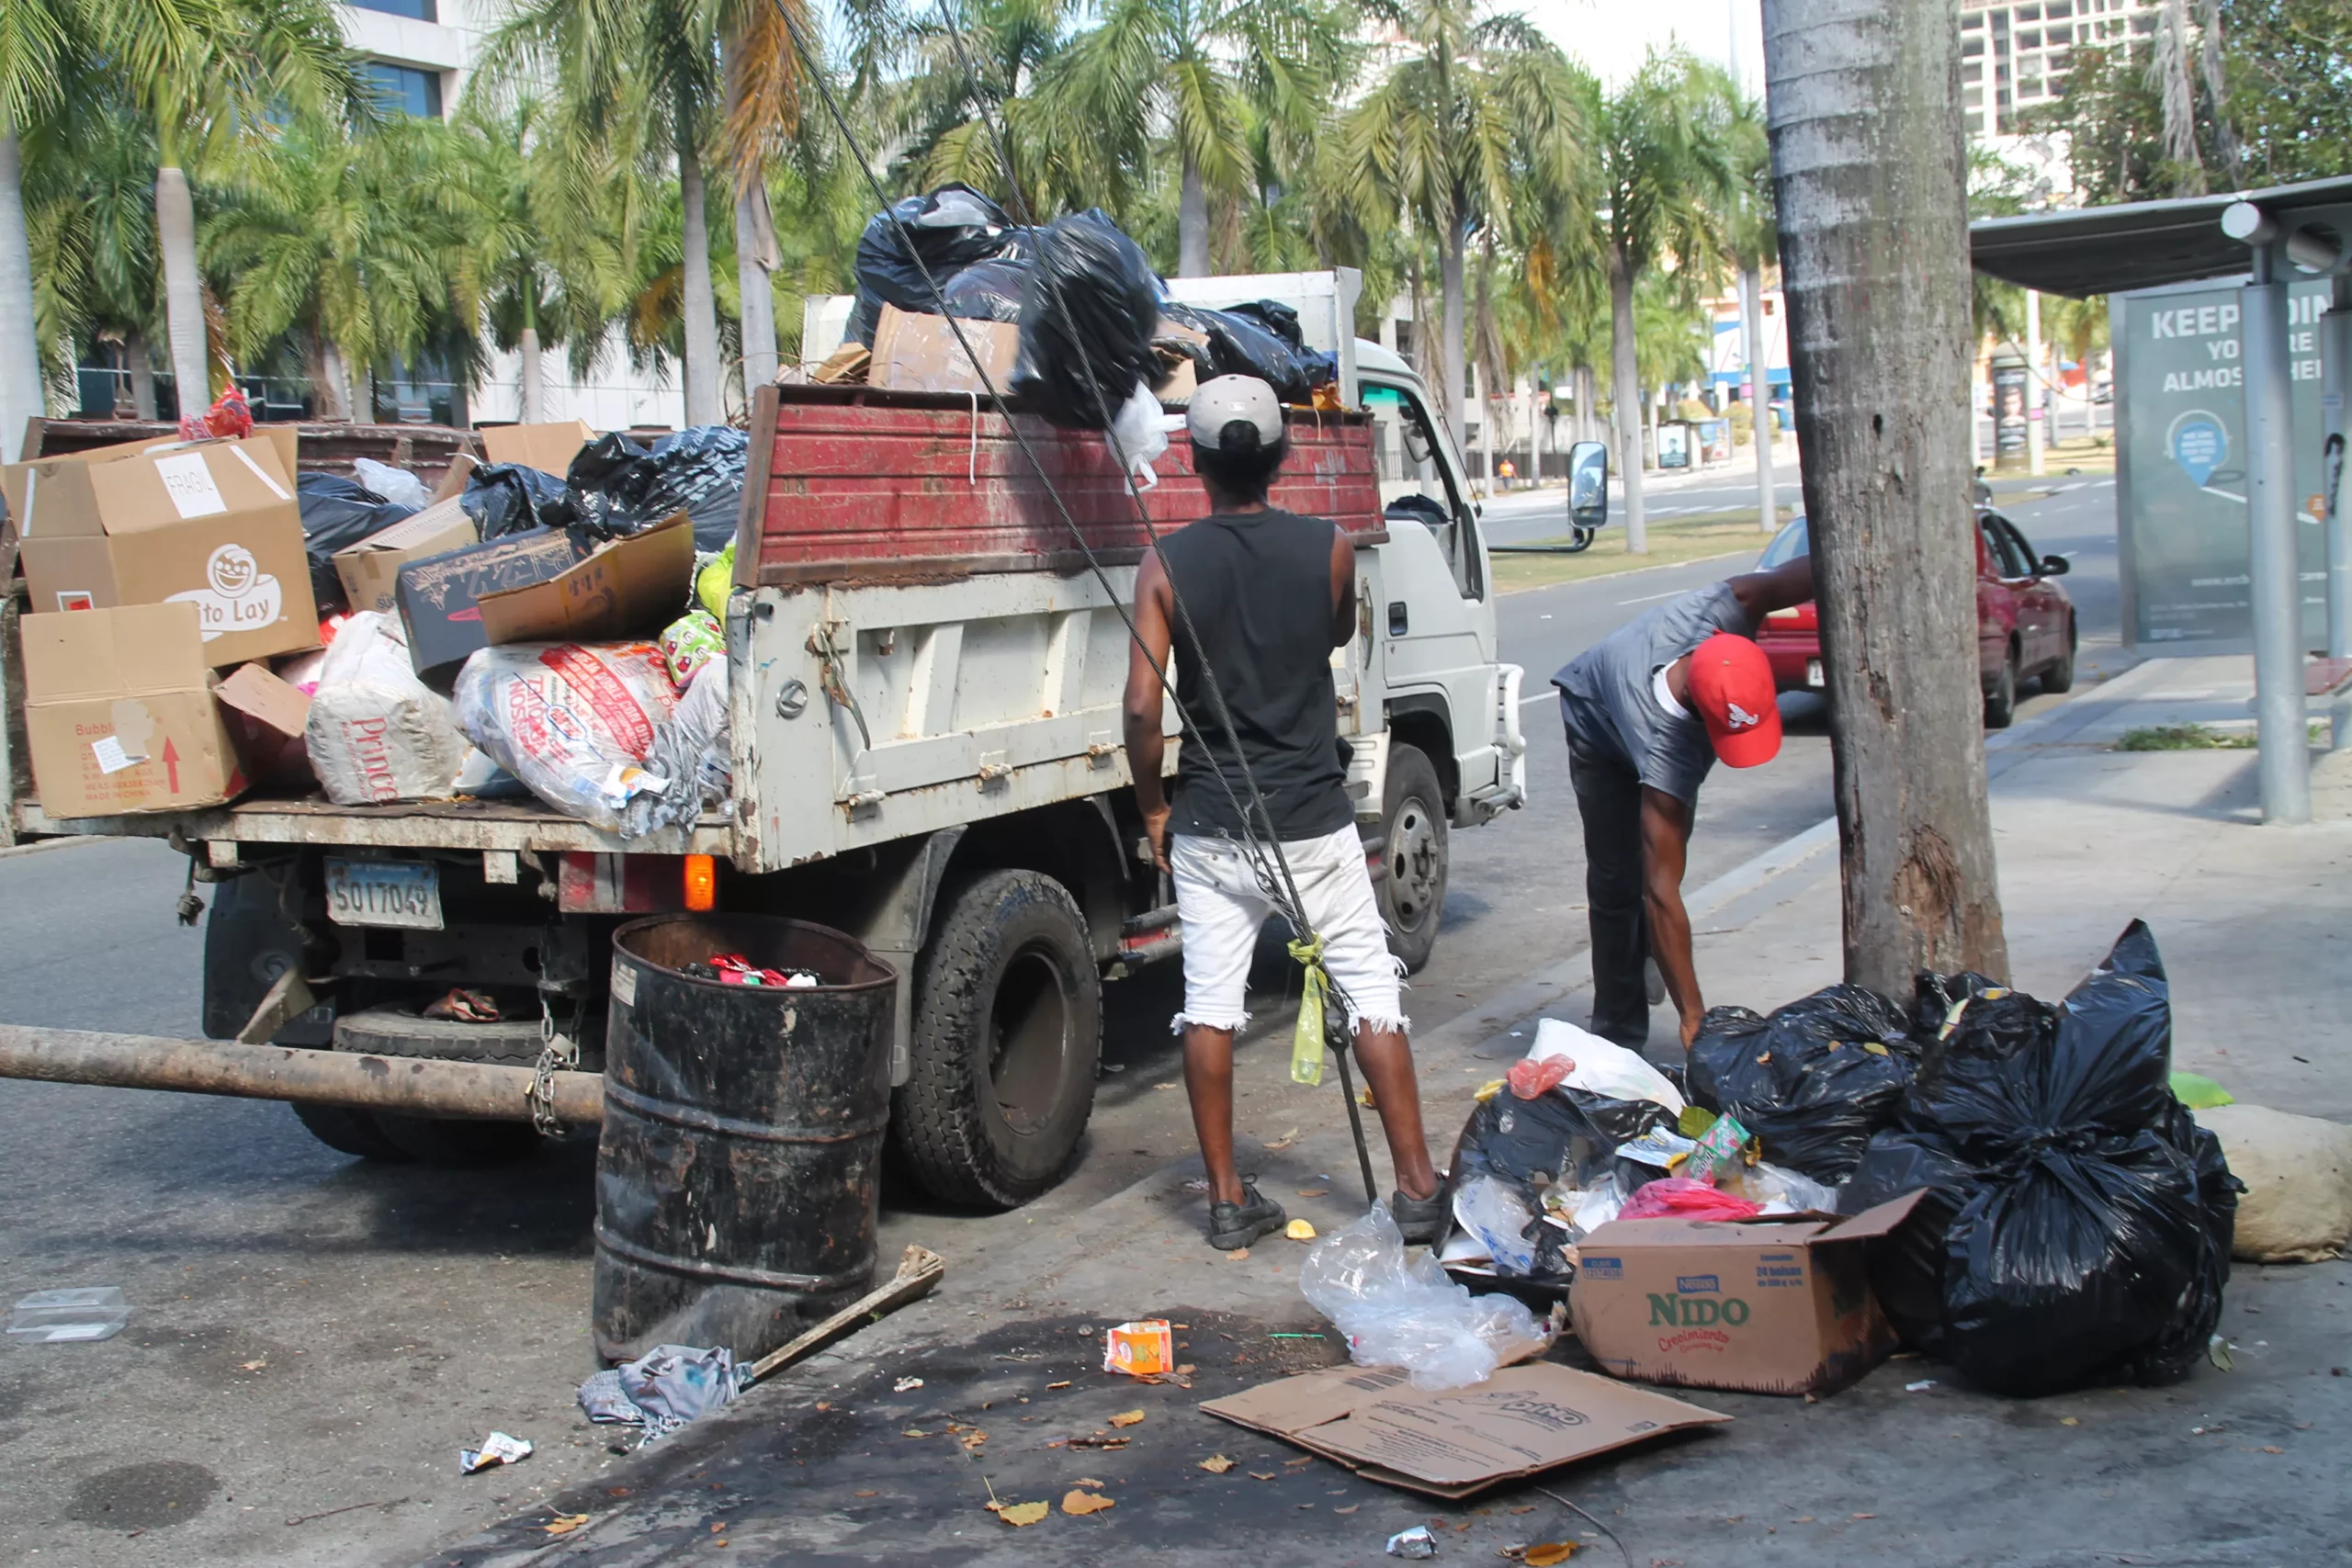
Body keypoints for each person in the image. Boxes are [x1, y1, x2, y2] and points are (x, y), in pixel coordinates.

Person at [1123, 375, 1445, 1251]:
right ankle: (1419, 1188)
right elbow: (1337, 634)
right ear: (1280, 457)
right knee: (1371, 990)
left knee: (1210, 1005)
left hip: (1211, 824)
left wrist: (1153, 804)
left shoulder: (1165, 564)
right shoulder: (1331, 548)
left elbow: (1144, 709)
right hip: (1310, 819)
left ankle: (1228, 1200)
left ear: (1194, 461)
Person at [1552, 549, 1815, 1054]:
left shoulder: (1731, 607)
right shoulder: (1667, 755)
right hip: (1593, 720)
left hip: (1639, 693)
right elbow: (1662, 891)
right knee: (1619, 883)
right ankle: (1618, 1036)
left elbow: (1785, 577)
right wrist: (1694, 1015)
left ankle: (1654, 948)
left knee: (1659, 876)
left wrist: (1849, 556)